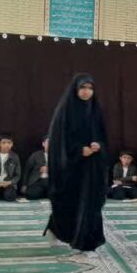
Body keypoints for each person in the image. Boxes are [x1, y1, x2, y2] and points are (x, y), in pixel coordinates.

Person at [45, 73, 110, 253]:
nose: (86, 92)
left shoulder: (95, 110)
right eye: (83, 87)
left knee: (90, 203)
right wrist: (78, 150)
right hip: (71, 167)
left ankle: (86, 242)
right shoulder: (65, 111)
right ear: (75, 89)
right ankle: (56, 228)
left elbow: (103, 137)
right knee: (69, 202)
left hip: (91, 167)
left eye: (90, 88)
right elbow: (58, 141)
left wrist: (99, 145)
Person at [0, 133, 22, 202]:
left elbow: (18, 175)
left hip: (8, 183)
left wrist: (9, 182)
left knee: (10, 197)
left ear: (12, 144)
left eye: (9, 143)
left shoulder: (15, 157)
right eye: (4, 143)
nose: (6, 145)